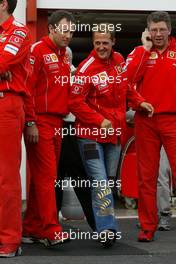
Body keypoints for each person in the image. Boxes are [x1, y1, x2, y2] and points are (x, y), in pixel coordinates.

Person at [69, 23, 153, 247]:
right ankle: (106, 229)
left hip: (114, 136)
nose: (101, 47)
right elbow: (74, 102)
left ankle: (103, 225)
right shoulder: (86, 68)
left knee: (108, 182)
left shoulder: (119, 60)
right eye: (97, 43)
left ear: (113, 42)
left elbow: (127, 88)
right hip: (89, 136)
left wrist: (139, 101)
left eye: (105, 42)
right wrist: (99, 120)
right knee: (100, 182)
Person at [22, 10, 75, 247]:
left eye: (71, 31)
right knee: (47, 178)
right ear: (51, 28)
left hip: (58, 123)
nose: (68, 35)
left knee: (43, 178)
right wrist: (30, 122)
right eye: (64, 30)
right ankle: (51, 230)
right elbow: (27, 88)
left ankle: (32, 227)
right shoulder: (37, 50)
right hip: (40, 122)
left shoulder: (65, 55)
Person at [126, 11, 176, 242]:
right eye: (153, 30)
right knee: (146, 177)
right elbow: (127, 81)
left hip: (173, 120)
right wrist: (145, 51)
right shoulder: (139, 53)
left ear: (169, 30)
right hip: (146, 120)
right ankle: (147, 226)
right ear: (147, 31)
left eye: (161, 29)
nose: (157, 34)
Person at [0, 0, 33, 257]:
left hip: (7, 105)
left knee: (6, 176)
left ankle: (10, 239)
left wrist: (4, 70)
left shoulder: (19, 31)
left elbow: (4, 61)